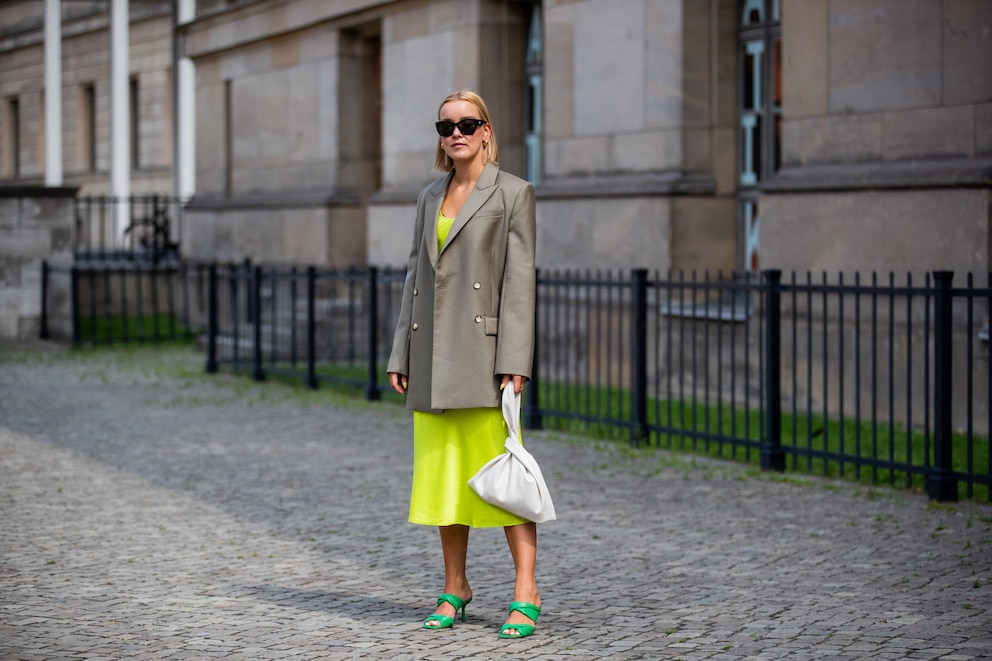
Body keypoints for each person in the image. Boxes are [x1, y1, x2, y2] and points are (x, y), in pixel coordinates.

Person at [386, 90, 540, 639]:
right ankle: (456, 587)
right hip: (430, 357)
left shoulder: (514, 193)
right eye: (446, 125)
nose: (456, 133)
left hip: (483, 358)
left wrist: (514, 362)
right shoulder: (430, 196)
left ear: (485, 130)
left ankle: (526, 591)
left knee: (504, 481)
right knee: (446, 482)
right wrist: (400, 350)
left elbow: (520, 284)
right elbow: (413, 277)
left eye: (467, 124)